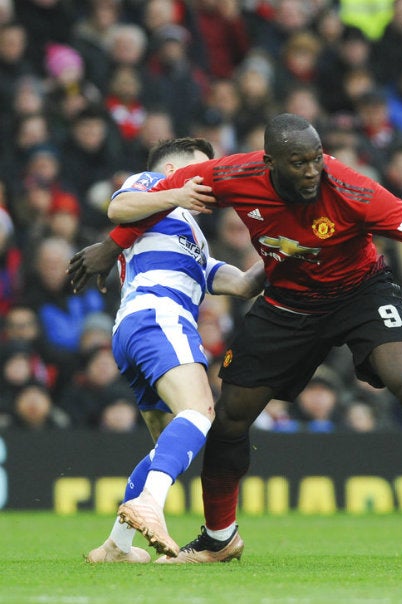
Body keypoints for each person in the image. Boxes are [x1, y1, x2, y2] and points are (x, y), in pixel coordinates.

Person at [69, 113, 402, 560]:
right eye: (299, 163)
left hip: (360, 292)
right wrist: (111, 246)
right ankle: (219, 538)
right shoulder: (234, 174)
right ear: (269, 163)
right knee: (230, 416)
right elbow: (156, 204)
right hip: (288, 303)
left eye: (317, 159)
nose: (312, 171)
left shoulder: (355, 192)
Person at [71, 137, 265, 563]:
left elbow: (242, 284)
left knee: (168, 445)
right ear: (174, 166)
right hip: (158, 315)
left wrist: (281, 251)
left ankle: (116, 547)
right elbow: (118, 209)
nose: (210, 181)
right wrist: (175, 190)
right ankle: (149, 507)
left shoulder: (189, 233)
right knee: (201, 411)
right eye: (202, 169)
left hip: (138, 327)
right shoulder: (153, 185)